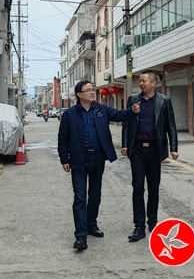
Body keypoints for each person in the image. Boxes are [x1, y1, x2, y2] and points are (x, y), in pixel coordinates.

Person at [58, 80, 140, 251]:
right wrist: (64, 159)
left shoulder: (102, 109)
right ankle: (80, 236)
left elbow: (120, 115)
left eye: (92, 89)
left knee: (95, 194)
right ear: (79, 94)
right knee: (80, 197)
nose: (91, 92)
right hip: (79, 159)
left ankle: (91, 224)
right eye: (87, 90)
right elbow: (63, 138)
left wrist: (132, 111)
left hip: (97, 158)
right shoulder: (70, 114)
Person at [121, 71, 178, 241]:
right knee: (138, 187)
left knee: (154, 188)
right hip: (137, 150)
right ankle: (139, 226)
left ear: (153, 83)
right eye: (140, 81)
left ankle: (152, 223)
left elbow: (171, 125)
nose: (141, 83)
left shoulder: (164, 101)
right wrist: (125, 144)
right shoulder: (133, 100)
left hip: (154, 150)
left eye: (144, 81)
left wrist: (174, 148)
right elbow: (127, 123)